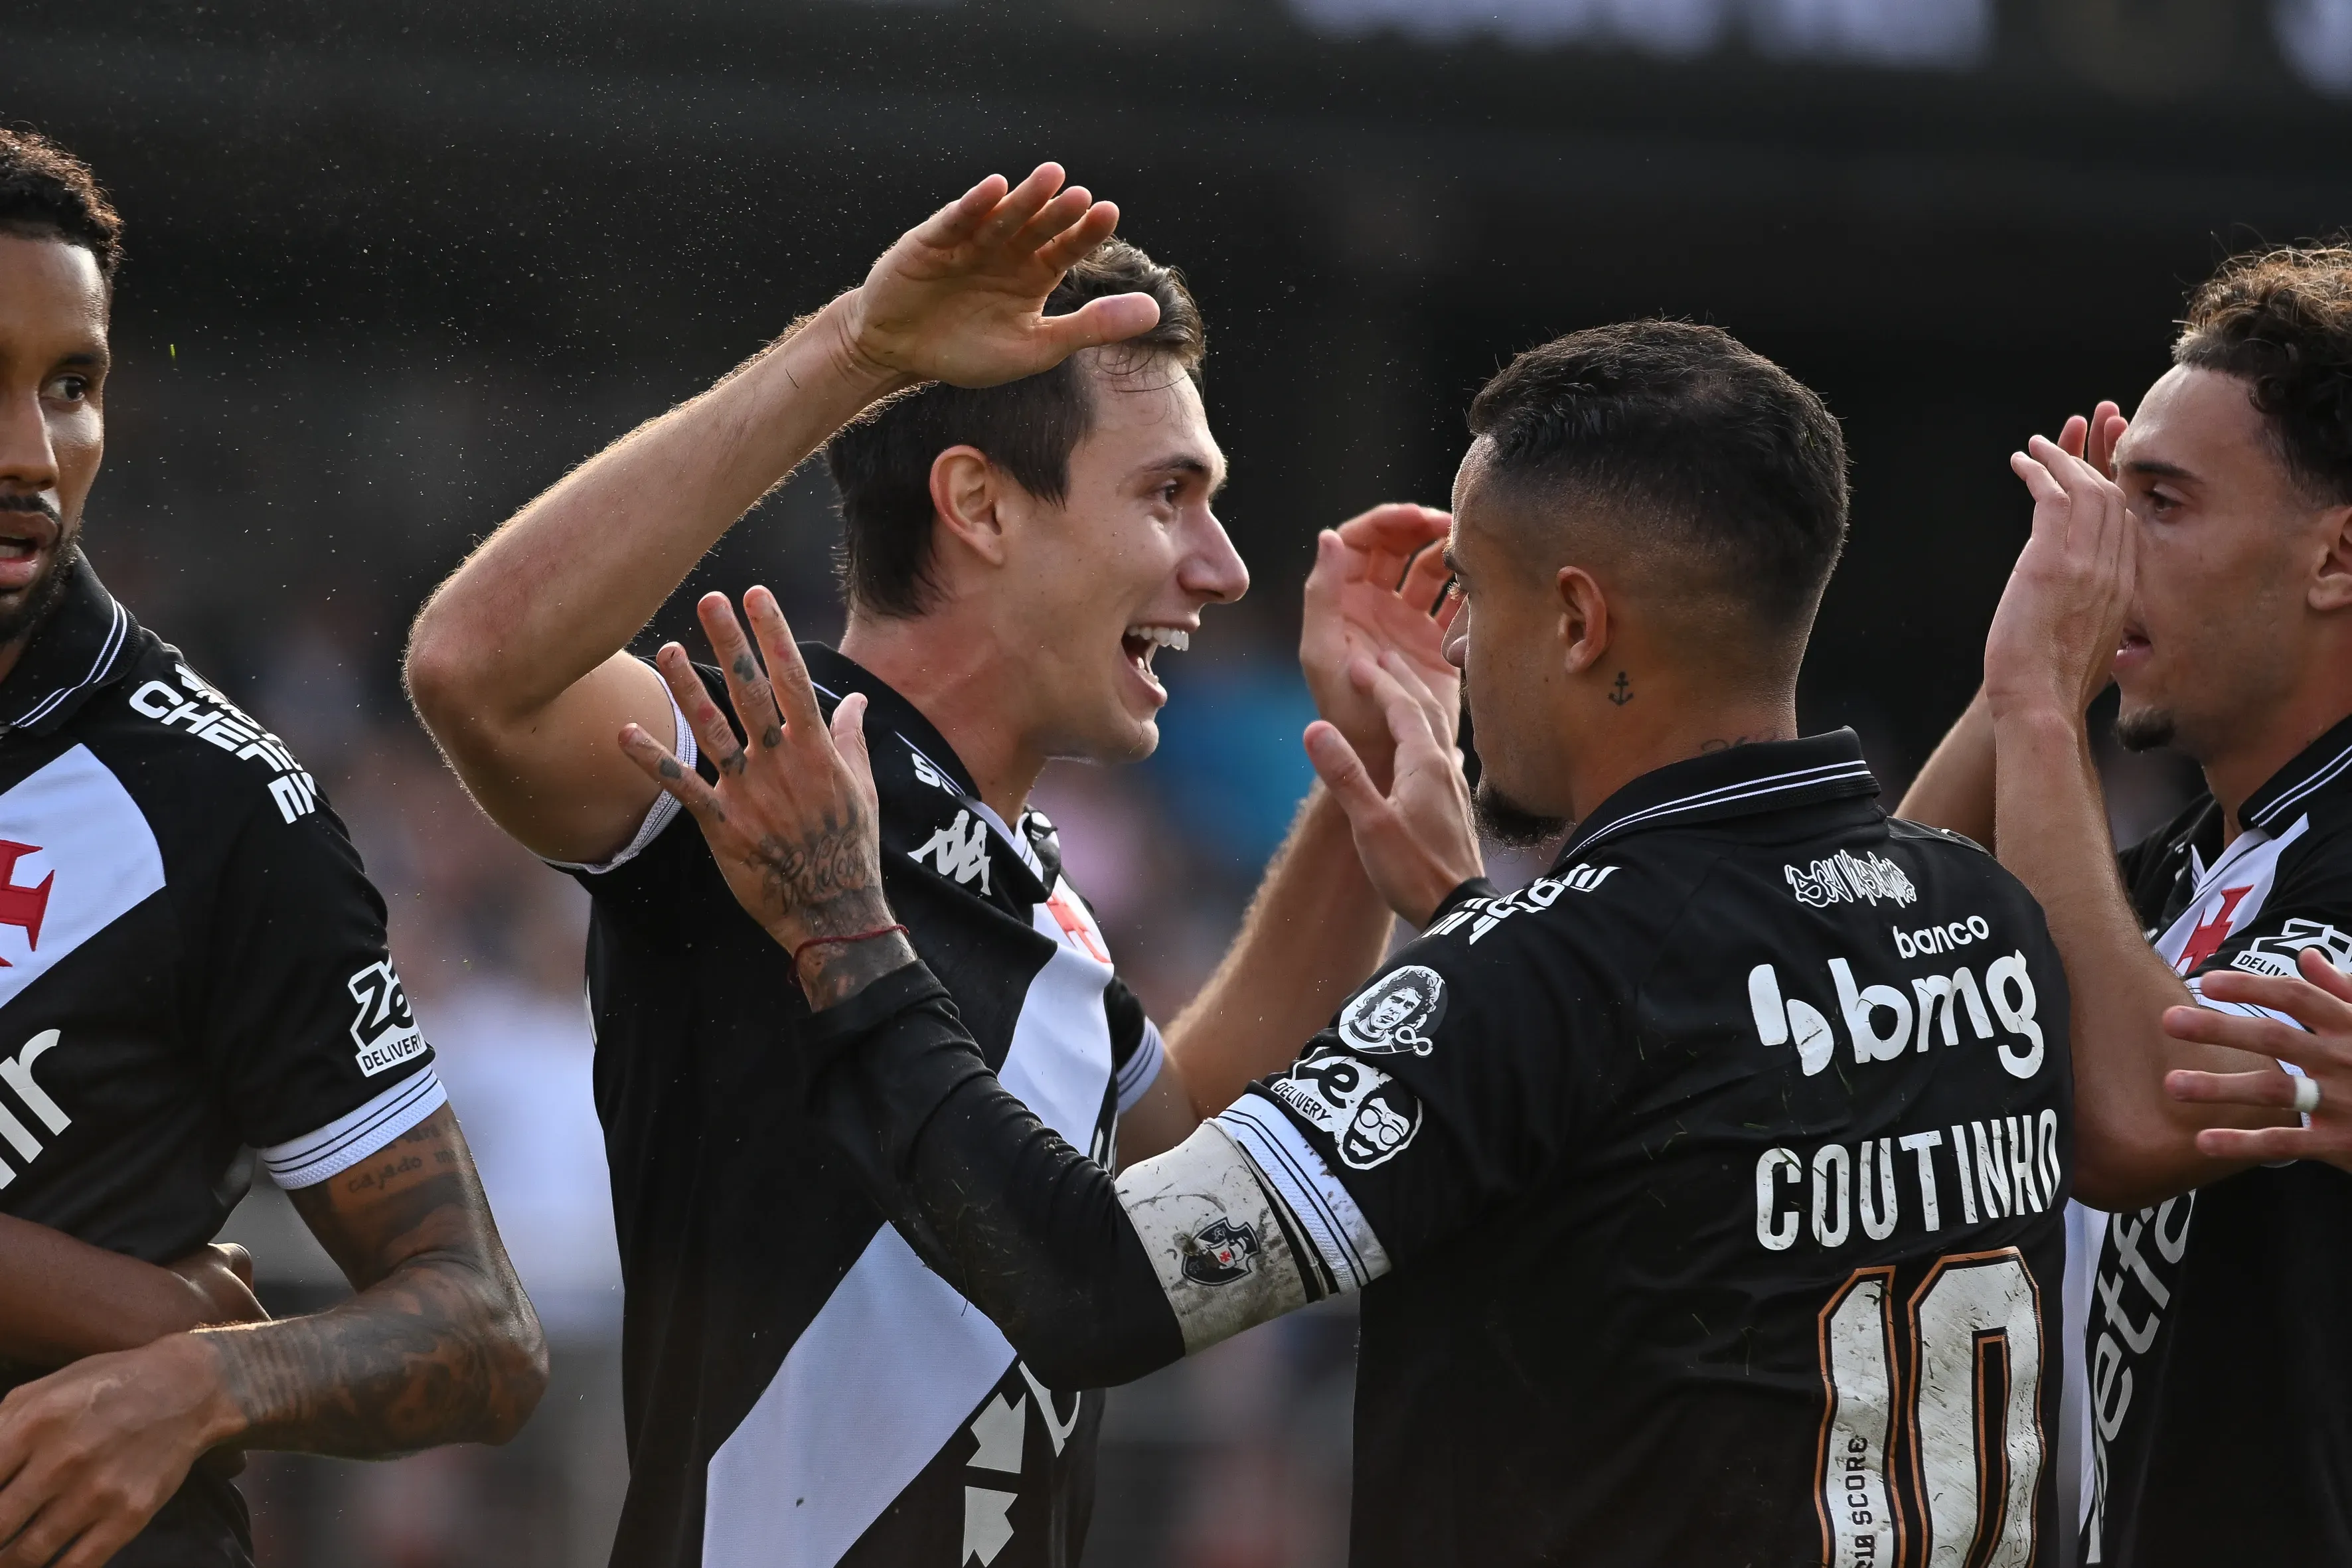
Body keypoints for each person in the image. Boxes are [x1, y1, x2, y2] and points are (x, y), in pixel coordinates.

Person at [624, 319, 2080, 1567]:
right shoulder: (1980, 917)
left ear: (1576, 620)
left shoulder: (1545, 975)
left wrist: (843, 929)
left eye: (1478, 602)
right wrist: (1461, 920)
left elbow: (1093, 1280)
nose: (1458, 655)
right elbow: (1669, 1142)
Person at [404, 165, 1450, 1566]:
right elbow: (478, 669)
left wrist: (1366, 763)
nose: (1221, 567)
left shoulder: (1039, 884)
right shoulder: (776, 757)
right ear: (980, 502)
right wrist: (854, 354)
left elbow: (1187, 1139)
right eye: (1167, 495)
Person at [0, 127, 548, 1568]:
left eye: (72, 384)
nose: (29, 454)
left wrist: (199, 1375)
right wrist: (126, 1302)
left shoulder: (217, 803)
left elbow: (482, 1329)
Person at [1901, 243, 2352, 1564]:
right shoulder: (2193, 861)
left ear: (2336, 558)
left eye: (2158, 501)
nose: (2095, 544)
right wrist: (2023, 685)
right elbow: (1866, 948)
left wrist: (2044, 697)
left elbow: (2141, 1110)